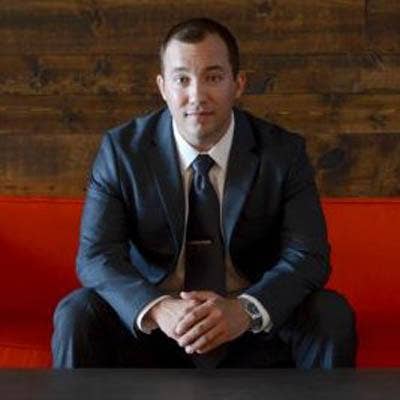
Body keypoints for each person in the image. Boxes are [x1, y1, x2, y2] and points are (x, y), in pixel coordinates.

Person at [52, 17, 357, 369]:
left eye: (213, 78)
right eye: (182, 79)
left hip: (250, 329)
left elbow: (308, 256)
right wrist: (158, 309)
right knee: (77, 312)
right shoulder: (122, 152)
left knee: (330, 313)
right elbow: (96, 256)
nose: (197, 96)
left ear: (238, 84)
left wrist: (245, 310)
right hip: (157, 328)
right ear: (163, 87)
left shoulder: (283, 153)